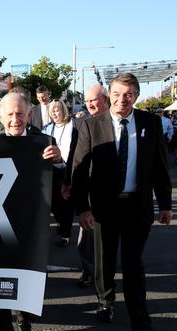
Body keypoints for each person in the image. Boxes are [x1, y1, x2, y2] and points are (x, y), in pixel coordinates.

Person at [71, 73, 173, 331]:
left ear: (136, 96)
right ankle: (106, 302)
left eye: (127, 94)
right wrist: (82, 208)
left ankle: (141, 325)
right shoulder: (92, 125)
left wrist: (165, 204)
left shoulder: (151, 123)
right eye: (116, 94)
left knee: (134, 265)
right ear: (109, 95)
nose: (121, 99)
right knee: (104, 263)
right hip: (103, 209)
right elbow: (78, 170)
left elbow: (161, 168)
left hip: (137, 208)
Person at [0, 92, 65, 331]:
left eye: (20, 114)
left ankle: (24, 316)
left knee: (27, 279)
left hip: (30, 224)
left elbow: (61, 185)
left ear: (29, 115)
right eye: (9, 114)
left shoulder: (43, 143)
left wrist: (59, 161)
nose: (15, 119)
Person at [70, 84, 111, 288]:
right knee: (86, 239)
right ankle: (89, 272)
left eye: (93, 100)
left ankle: (105, 276)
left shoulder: (118, 124)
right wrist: (69, 183)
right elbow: (75, 158)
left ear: (105, 99)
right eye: (87, 101)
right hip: (89, 191)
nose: (89, 104)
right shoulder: (84, 124)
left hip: (115, 194)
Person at [43, 99, 76, 248]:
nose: (55, 113)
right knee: (54, 205)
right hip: (52, 171)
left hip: (69, 170)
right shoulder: (46, 129)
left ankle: (66, 235)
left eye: (58, 110)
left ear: (64, 110)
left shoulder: (74, 125)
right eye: (53, 111)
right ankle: (61, 223)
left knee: (67, 203)